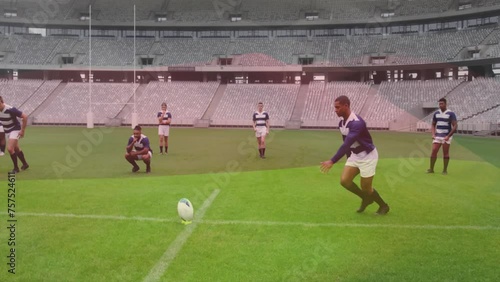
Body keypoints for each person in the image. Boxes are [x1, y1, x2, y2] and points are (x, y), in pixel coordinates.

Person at [320, 95, 389, 215]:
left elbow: (347, 144)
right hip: (355, 156)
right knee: (345, 181)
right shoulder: (342, 123)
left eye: (338, 107)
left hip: (368, 156)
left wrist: (332, 161)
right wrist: (349, 159)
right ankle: (366, 198)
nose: (335, 110)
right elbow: (347, 143)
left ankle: (384, 206)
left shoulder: (357, 123)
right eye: (335, 107)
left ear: (346, 106)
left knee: (366, 188)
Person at [427, 98, 457, 175]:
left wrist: (448, 136)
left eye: (442, 104)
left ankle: (444, 170)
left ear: (446, 104)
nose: (440, 105)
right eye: (439, 104)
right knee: (434, 151)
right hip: (437, 136)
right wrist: (433, 134)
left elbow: (455, 126)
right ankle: (431, 169)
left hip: (446, 136)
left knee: (445, 153)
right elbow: (433, 124)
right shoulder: (436, 113)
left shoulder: (451, 113)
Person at [0, 96, 29, 173]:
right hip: (7, 131)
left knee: (10, 148)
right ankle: (25, 164)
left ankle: (16, 168)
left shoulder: (10, 109)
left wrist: (22, 131)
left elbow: (25, 116)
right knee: (16, 148)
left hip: (15, 129)